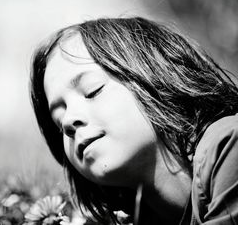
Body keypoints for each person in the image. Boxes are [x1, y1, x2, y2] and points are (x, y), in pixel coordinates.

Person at [29, 17, 238, 224]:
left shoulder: (229, 144)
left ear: (157, 78)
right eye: (58, 120)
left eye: (92, 91)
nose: (68, 122)